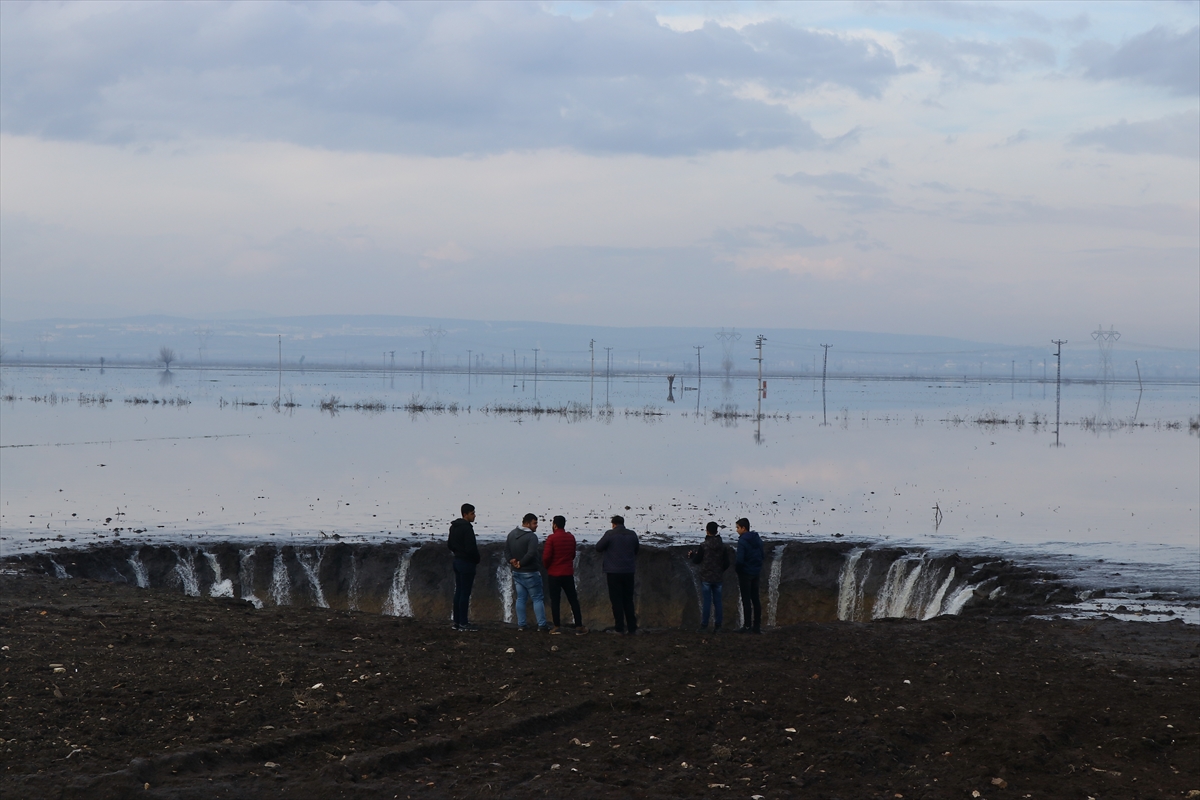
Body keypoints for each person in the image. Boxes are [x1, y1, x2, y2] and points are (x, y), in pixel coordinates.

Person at [595, 514, 640, 634]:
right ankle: (632, 628)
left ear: (613, 524)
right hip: (629, 571)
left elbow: (598, 547)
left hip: (613, 572)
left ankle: (619, 628)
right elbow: (636, 550)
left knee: (616, 601)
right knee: (628, 600)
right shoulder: (632, 534)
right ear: (623, 523)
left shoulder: (610, 534)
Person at [543, 515, 587, 634]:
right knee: (573, 599)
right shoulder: (571, 537)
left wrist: (548, 566)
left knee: (555, 601)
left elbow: (546, 557)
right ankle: (579, 626)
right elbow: (572, 555)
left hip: (554, 574)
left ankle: (556, 626)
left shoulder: (551, 538)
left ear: (554, 525)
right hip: (567, 573)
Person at [506, 513, 549, 631]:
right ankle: (542, 625)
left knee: (521, 598)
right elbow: (531, 553)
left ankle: (521, 625)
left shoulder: (511, 534)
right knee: (537, 598)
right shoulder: (531, 537)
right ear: (527, 523)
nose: (536, 525)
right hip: (530, 572)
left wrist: (511, 560)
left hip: (516, 572)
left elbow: (507, 550)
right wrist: (521, 563)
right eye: (535, 523)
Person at [689, 521, 730, 632]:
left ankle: (704, 626)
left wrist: (692, 555)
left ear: (707, 531)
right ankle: (718, 626)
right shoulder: (722, 546)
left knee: (707, 602)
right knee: (718, 602)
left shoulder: (704, 546)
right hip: (718, 578)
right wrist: (720, 570)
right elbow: (727, 563)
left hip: (706, 577)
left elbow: (697, 560)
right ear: (716, 531)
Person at [446, 503, 479, 631]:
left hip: (457, 561)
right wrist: (476, 559)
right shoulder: (467, 528)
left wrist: (457, 552)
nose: (474, 516)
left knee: (459, 592)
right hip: (467, 563)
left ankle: (456, 622)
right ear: (465, 514)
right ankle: (464, 623)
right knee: (465, 593)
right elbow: (471, 548)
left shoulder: (453, 527)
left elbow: (450, 544)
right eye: (472, 513)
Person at [734, 517, 764, 633]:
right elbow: (762, 554)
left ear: (743, 528)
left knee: (746, 600)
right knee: (755, 599)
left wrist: (738, 570)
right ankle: (757, 626)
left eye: (738, 527)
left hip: (745, 573)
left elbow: (740, 560)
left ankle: (747, 626)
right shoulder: (757, 538)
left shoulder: (742, 541)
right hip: (756, 572)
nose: (736, 530)